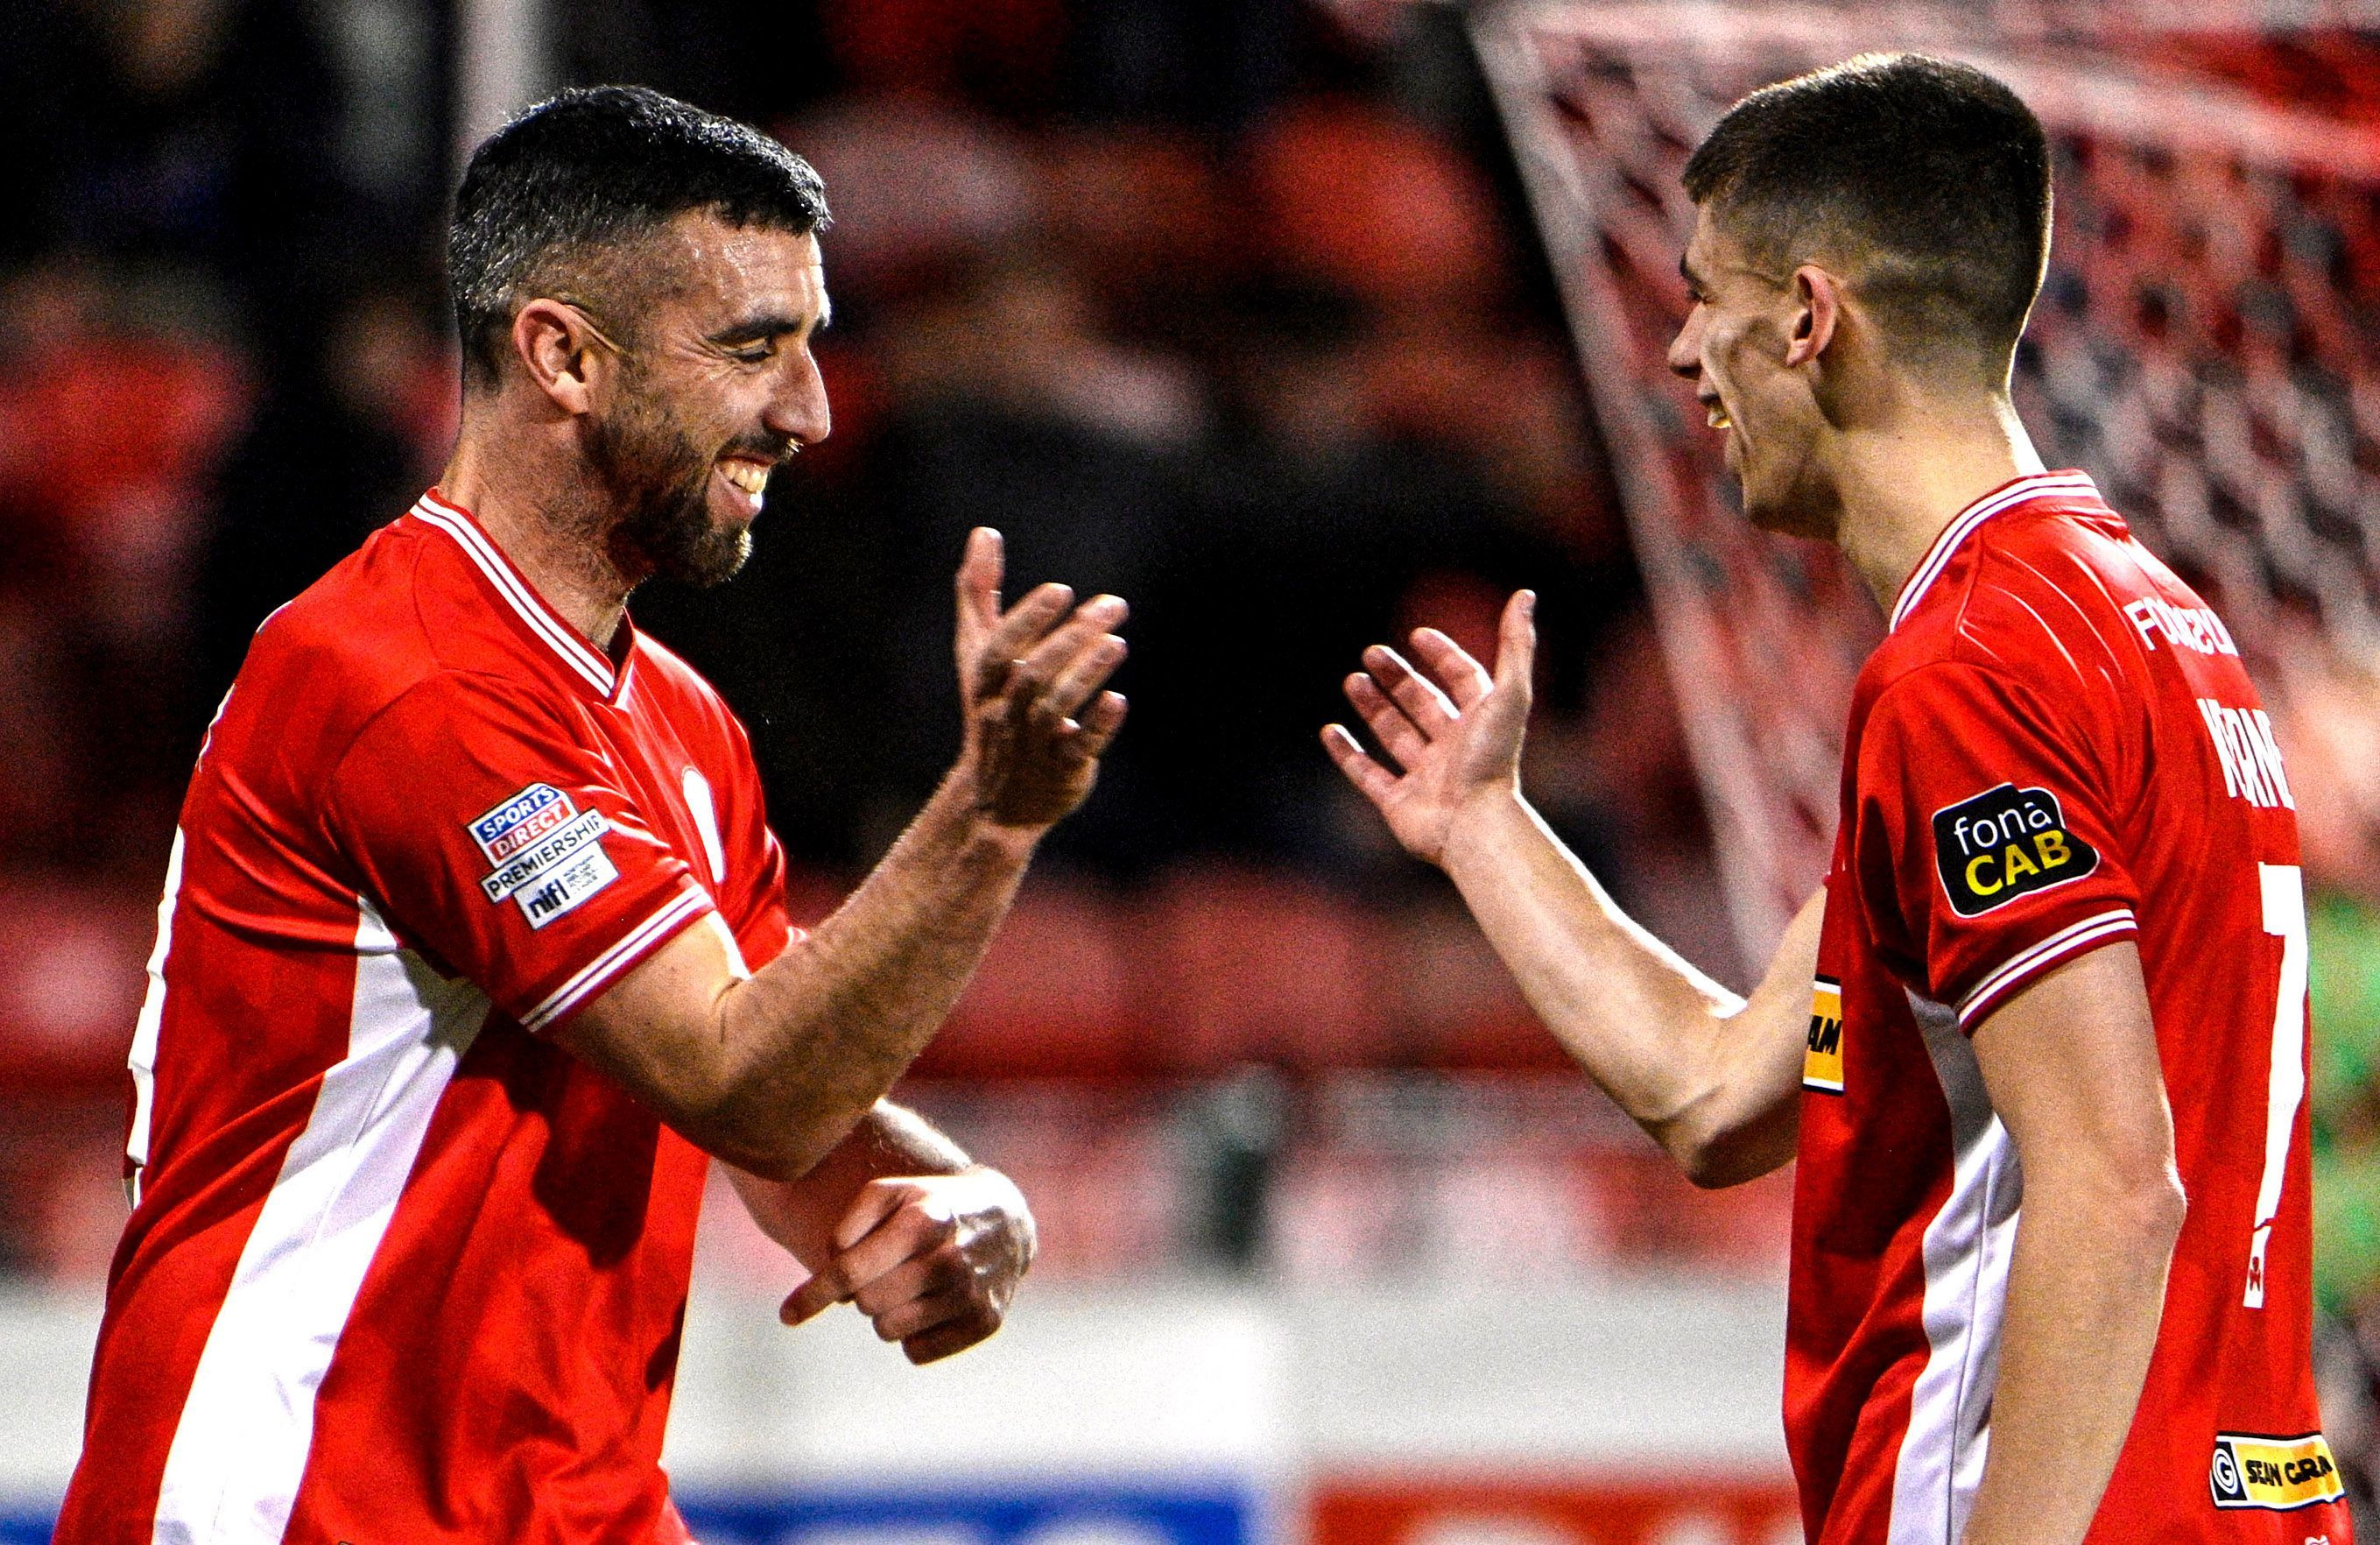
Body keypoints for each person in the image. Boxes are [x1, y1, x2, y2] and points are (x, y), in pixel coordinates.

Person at [58, 85, 1130, 1544]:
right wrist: (990, 823)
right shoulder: (406, 679)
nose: (808, 411)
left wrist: (959, 1199)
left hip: (565, 1508)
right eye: (754, 348)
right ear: (562, 353)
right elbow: (735, 1080)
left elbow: (791, 1123)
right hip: (295, 1503)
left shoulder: (682, 721)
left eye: (812, 348)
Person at [1325, 53, 2348, 1545]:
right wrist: (1490, 834)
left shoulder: (1968, 671)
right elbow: (1717, 1093)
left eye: (1702, 296)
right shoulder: (2143, 625)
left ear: (1807, 318)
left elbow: (2118, 1186)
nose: (1680, 353)